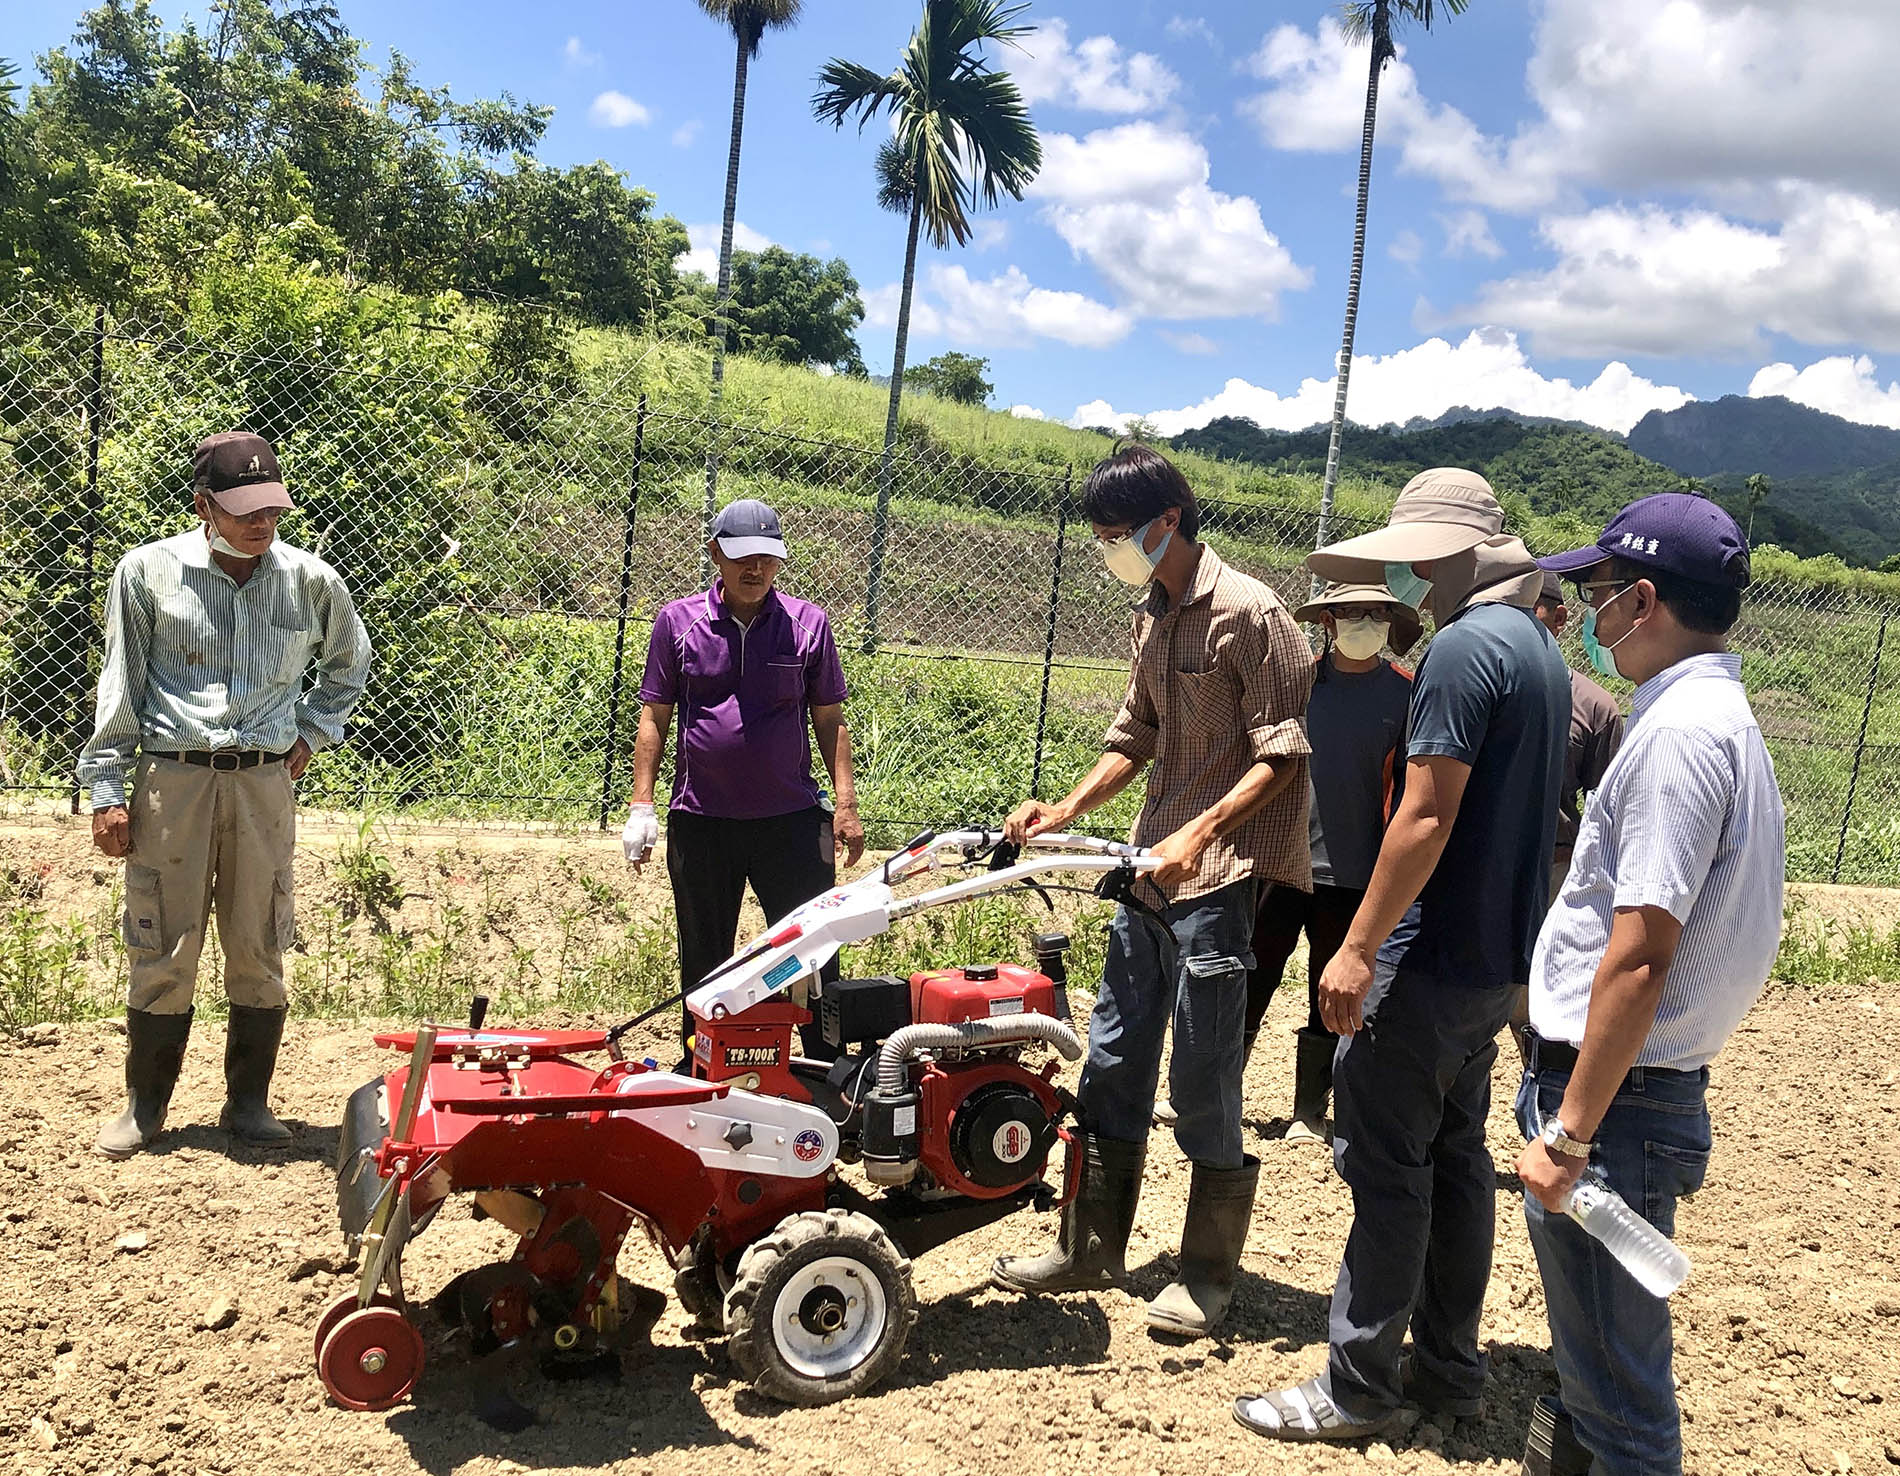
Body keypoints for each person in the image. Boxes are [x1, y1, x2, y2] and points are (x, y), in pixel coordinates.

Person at [1235, 468, 1568, 1442]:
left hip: (1421, 966)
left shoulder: (1462, 653)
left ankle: (1357, 1387)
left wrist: (1361, 946)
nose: (1406, 575)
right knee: (1456, 1164)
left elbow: (1424, 814)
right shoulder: (1537, 652)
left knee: (1383, 1166)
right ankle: (1449, 1371)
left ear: (1443, 550)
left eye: (1415, 554)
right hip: (1489, 964)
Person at [989, 443, 1314, 1339]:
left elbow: (1283, 754)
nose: (1109, 549)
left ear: (1167, 520)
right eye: (1098, 536)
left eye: (1116, 534)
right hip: (1148, 874)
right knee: (1117, 1049)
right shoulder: (1154, 614)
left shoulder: (1252, 614)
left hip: (1222, 874)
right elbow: (1134, 737)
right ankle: (1092, 1245)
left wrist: (1199, 833)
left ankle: (1207, 1274)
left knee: (1207, 1069)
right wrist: (1063, 808)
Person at [1513, 494, 1783, 1476]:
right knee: (1596, 1377)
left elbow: (1639, 951)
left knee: (1621, 1404)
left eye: (1594, 593)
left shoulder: (1676, 739)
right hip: (1638, 1095)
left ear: (1643, 599)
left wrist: (1569, 1134)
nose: (1586, 613)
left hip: (1613, 1111)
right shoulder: (1713, 721)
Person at [80, 431, 371, 1159]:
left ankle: (249, 1103)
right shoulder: (146, 573)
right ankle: (145, 1107)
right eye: (243, 509)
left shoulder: (310, 582)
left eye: (271, 508)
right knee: (163, 939)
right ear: (203, 504)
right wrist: (107, 788)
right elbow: (121, 687)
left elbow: (348, 664)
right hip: (171, 780)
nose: (261, 523)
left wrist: (313, 730)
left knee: (259, 936)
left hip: (263, 784)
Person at [625, 498, 864, 1061]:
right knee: (705, 954)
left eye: (767, 558)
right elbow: (655, 715)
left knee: (812, 949)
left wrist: (847, 805)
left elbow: (829, 720)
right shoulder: (677, 623)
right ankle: (703, 1065)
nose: (755, 570)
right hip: (703, 822)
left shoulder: (808, 625)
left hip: (792, 823)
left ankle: (828, 1067)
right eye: (741, 558)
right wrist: (642, 805)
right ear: (715, 554)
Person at [1246, 582, 1418, 1143]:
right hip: (1282, 859)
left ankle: (1310, 1110)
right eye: (1350, 613)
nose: (1362, 623)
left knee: (1333, 988)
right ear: (1327, 621)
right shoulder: (1299, 685)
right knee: (1251, 974)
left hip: (1358, 871)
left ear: (1389, 624)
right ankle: (1216, 1088)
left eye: (1374, 614)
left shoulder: (1407, 695)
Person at [1508, 571, 1626, 1064]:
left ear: (1560, 618)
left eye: (1533, 611)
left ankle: (1543, 1081)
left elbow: (1609, 812)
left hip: (1556, 869)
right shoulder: (1488, 684)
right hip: (1487, 862)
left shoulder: (1596, 707)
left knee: (1546, 991)